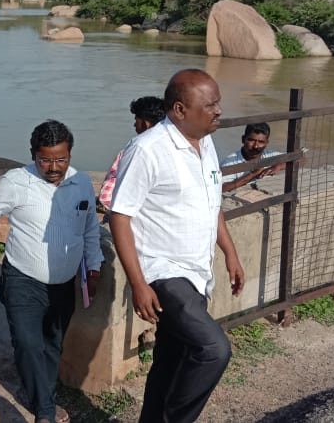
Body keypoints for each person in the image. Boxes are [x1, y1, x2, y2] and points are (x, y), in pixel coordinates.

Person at [0, 120, 103, 423]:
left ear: (70, 155)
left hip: (64, 283)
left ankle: (43, 396)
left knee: (53, 344)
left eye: (61, 159)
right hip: (23, 280)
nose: (54, 167)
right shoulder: (16, 182)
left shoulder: (80, 182)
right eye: (45, 159)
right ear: (33, 155)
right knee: (28, 344)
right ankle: (44, 412)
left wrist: (92, 269)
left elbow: (90, 229)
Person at [108, 69, 246, 423]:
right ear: (180, 110)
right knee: (213, 349)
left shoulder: (206, 141)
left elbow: (210, 203)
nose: (218, 111)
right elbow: (119, 216)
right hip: (164, 272)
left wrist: (229, 253)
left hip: (197, 270)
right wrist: (139, 284)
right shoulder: (147, 150)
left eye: (219, 103)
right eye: (210, 104)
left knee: (171, 359)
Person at [98, 96, 165, 213]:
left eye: (136, 120)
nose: (134, 125)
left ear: (145, 124)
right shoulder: (170, 145)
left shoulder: (137, 148)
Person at [220, 122, 284, 192]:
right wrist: (253, 174)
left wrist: (278, 166)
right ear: (243, 139)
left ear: (266, 143)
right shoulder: (230, 162)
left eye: (261, 142)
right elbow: (221, 188)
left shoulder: (269, 155)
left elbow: (297, 159)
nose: (255, 146)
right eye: (252, 140)